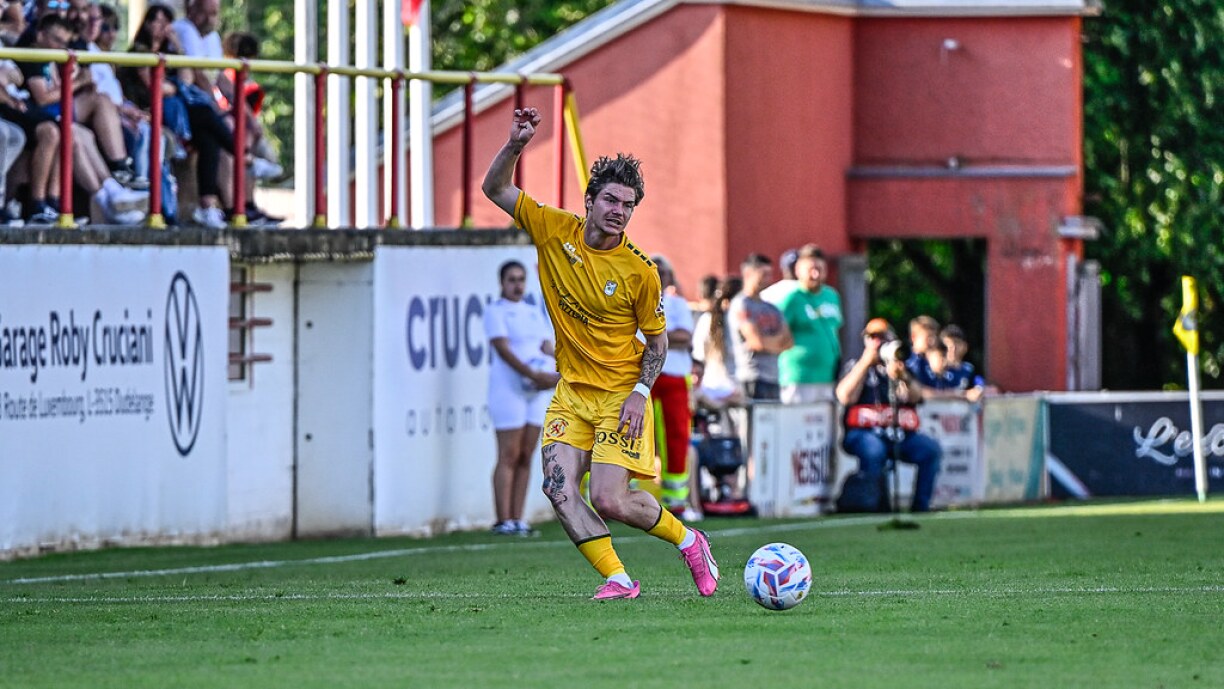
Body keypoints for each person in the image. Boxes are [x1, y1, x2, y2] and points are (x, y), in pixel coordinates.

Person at [482, 106, 719, 601]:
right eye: (610, 199)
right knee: (558, 488)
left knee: (609, 499)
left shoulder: (640, 271)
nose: (619, 210)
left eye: (628, 204)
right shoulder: (554, 229)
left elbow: (656, 342)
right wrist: (517, 145)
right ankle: (618, 579)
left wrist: (639, 392)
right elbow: (496, 190)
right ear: (589, 201)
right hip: (572, 392)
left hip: (619, 394)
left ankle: (689, 540)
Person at [484, 259, 559, 537]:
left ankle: (518, 517)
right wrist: (531, 373)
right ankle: (502, 518)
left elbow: (545, 345)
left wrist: (558, 366)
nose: (517, 285)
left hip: (534, 391)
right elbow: (503, 349)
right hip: (509, 389)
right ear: (502, 283)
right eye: (511, 280)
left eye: (521, 279)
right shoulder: (496, 312)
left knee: (527, 454)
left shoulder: (531, 312)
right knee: (508, 453)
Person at [835, 318, 942, 512]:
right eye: (873, 338)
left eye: (883, 337)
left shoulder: (902, 367)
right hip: (863, 434)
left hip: (899, 435)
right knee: (874, 449)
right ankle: (874, 505)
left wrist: (902, 377)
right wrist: (866, 362)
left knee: (930, 449)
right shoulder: (855, 366)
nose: (879, 342)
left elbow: (916, 396)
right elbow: (844, 396)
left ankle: (921, 506)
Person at [649, 254, 699, 520]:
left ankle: (676, 500)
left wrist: (653, 334)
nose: (659, 278)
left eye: (663, 273)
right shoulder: (637, 300)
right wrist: (665, 336)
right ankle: (627, 494)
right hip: (645, 374)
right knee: (636, 435)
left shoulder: (677, 304)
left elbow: (684, 337)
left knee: (677, 436)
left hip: (674, 375)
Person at [776, 244, 842, 403]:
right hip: (799, 376)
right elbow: (777, 333)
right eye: (811, 269)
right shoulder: (792, 298)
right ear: (798, 271)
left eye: (819, 269)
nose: (815, 274)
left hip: (828, 375)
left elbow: (836, 329)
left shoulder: (831, 295)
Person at [728, 253, 792, 401]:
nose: (768, 279)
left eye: (770, 274)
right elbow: (756, 342)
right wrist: (776, 343)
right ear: (748, 274)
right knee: (753, 423)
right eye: (764, 274)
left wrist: (767, 343)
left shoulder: (772, 308)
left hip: (774, 377)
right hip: (752, 377)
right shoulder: (741, 304)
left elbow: (788, 342)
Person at [906, 315, 940, 384]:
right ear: (914, 337)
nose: (933, 341)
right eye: (928, 337)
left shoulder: (936, 360)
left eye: (934, 336)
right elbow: (920, 391)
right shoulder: (908, 361)